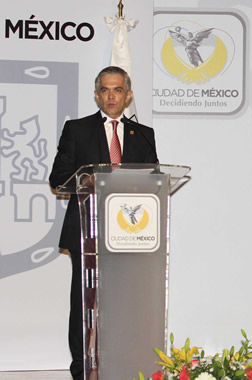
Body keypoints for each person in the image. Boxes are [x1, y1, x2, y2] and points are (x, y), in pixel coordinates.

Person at [49, 66, 158, 380]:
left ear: (128, 96)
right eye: (105, 90)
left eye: (118, 90)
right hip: (88, 231)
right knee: (86, 303)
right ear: (97, 95)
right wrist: (90, 179)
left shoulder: (144, 135)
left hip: (131, 232)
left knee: (126, 304)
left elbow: (153, 182)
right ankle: (83, 369)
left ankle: (125, 363)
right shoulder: (77, 130)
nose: (111, 96)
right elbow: (58, 179)